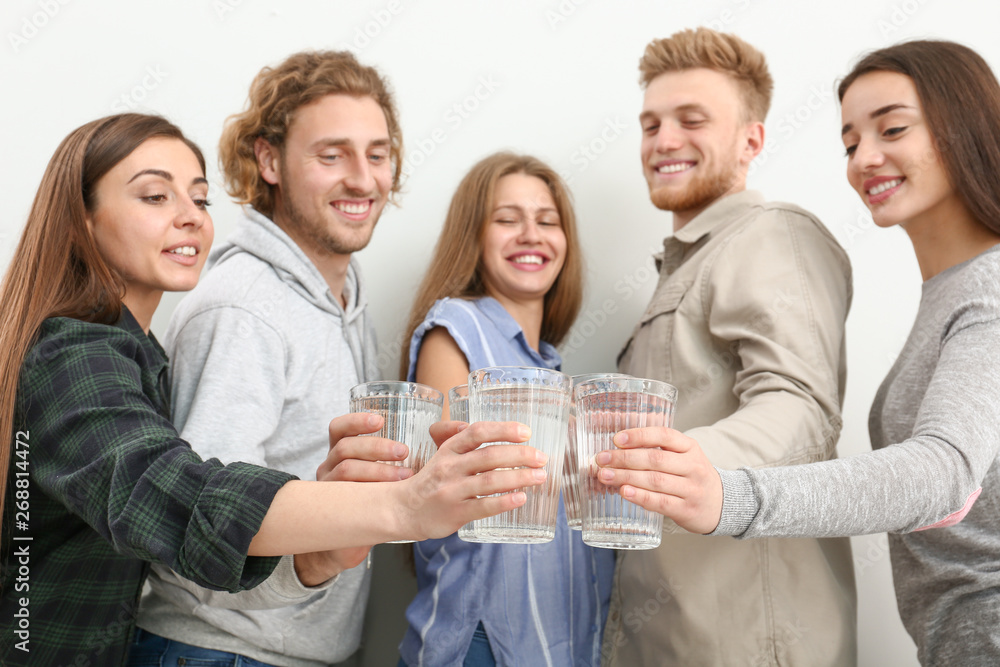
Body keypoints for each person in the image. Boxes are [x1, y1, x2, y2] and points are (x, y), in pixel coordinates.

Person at [0, 113, 548, 667]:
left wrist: (318, 556)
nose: (190, 217)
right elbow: (172, 496)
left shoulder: (140, 357)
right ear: (83, 219)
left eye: (199, 199)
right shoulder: (71, 355)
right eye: (155, 197)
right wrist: (400, 506)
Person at [597, 39, 1000, 666]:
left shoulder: (987, 289)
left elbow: (938, 473)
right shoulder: (947, 293)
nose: (865, 157)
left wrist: (716, 490)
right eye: (848, 143)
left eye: (892, 128)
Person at [130, 49, 411, 667]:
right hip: (221, 654)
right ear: (269, 160)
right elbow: (197, 536)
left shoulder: (341, 300)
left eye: (377, 153)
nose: (362, 179)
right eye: (331, 155)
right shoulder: (244, 309)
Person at [598, 28, 857, 666]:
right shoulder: (684, 268)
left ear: (752, 139)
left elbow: (799, 409)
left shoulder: (771, 236)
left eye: (692, 120)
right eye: (651, 123)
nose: (663, 141)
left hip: (747, 647)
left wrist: (652, 465)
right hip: (668, 642)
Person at [398, 152, 615, 666]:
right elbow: (447, 488)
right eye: (506, 219)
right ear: (473, 235)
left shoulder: (550, 370)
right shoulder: (455, 329)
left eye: (547, 220)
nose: (531, 235)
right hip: (484, 644)